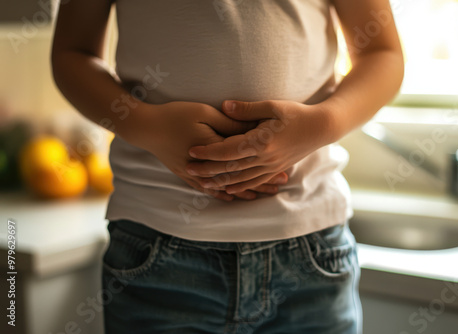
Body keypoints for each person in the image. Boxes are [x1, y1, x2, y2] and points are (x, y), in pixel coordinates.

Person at [51, 0, 403, 333]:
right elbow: (72, 54)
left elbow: (382, 54)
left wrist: (322, 123)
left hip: (310, 250)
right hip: (157, 250)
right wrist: (149, 126)